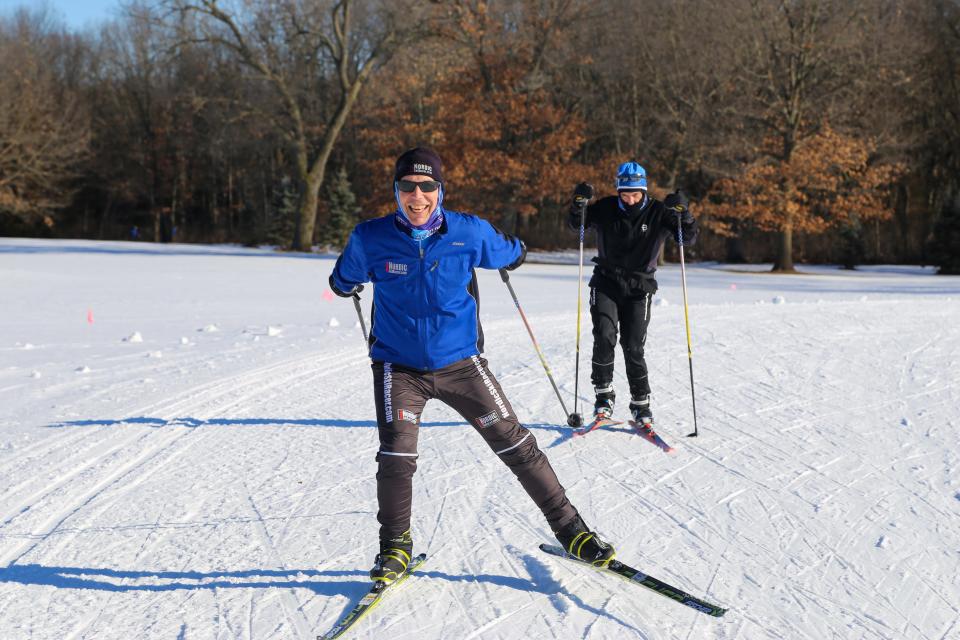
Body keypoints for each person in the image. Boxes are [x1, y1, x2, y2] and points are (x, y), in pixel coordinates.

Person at [329, 147, 615, 584]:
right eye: (408, 186)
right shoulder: (370, 238)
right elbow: (343, 278)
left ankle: (572, 532)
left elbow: (508, 252)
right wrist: (345, 283)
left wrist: (514, 252)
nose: (417, 196)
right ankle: (394, 549)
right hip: (397, 368)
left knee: (516, 445)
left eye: (427, 187)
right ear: (396, 191)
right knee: (396, 458)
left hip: (461, 364)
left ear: (440, 191)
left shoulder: (467, 232)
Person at [569, 161, 698, 426]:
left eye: (635, 194)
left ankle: (641, 404)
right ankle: (603, 398)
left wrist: (685, 215)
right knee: (604, 336)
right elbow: (577, 226)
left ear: (644, 190)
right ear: (618, 190)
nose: (629, 200)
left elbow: (687, 239)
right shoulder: (605, 207)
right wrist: (578, 204)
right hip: (605, 282)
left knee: (633, 345)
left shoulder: (659, 211)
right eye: (624, 194)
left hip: (640, 287)